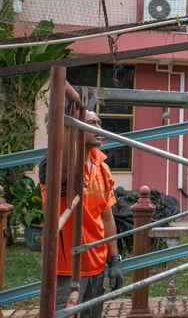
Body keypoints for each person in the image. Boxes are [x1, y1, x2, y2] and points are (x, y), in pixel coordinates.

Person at [39, 110, 124, 317]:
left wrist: (114, 260)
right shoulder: (54, 165)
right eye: (91, 123)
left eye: (99, 123)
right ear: (74, 128)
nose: (99, 129)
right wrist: (70, 125)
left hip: (96, 266)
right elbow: (63, 170)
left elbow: (107, 216)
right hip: (65, 269)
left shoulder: (102, 167)